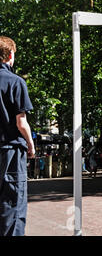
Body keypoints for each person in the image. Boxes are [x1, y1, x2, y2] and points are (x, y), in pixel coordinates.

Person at [0, 36, 35, 236]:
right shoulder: (16, 82)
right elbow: (21, 123)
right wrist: (30, 145)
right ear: (10, 55)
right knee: (13, 205)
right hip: (10, 151)